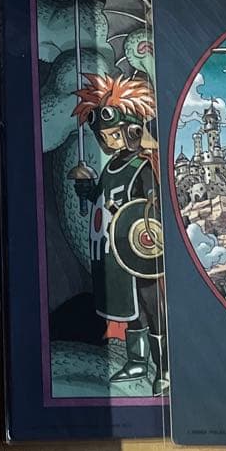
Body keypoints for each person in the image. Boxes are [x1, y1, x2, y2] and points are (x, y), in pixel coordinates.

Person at [72, 74, 167, 394]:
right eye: (105, 136)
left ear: (132, 130)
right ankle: (137, 361)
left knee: (151, 307)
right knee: (129, 309)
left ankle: (164, 367)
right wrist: (86, 189)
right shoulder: (112, 165)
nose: (110, 141)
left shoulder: (143, 166)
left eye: (115, 134)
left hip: (140, 252)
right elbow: (101, 198)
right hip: (112, 249)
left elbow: (151, 210)